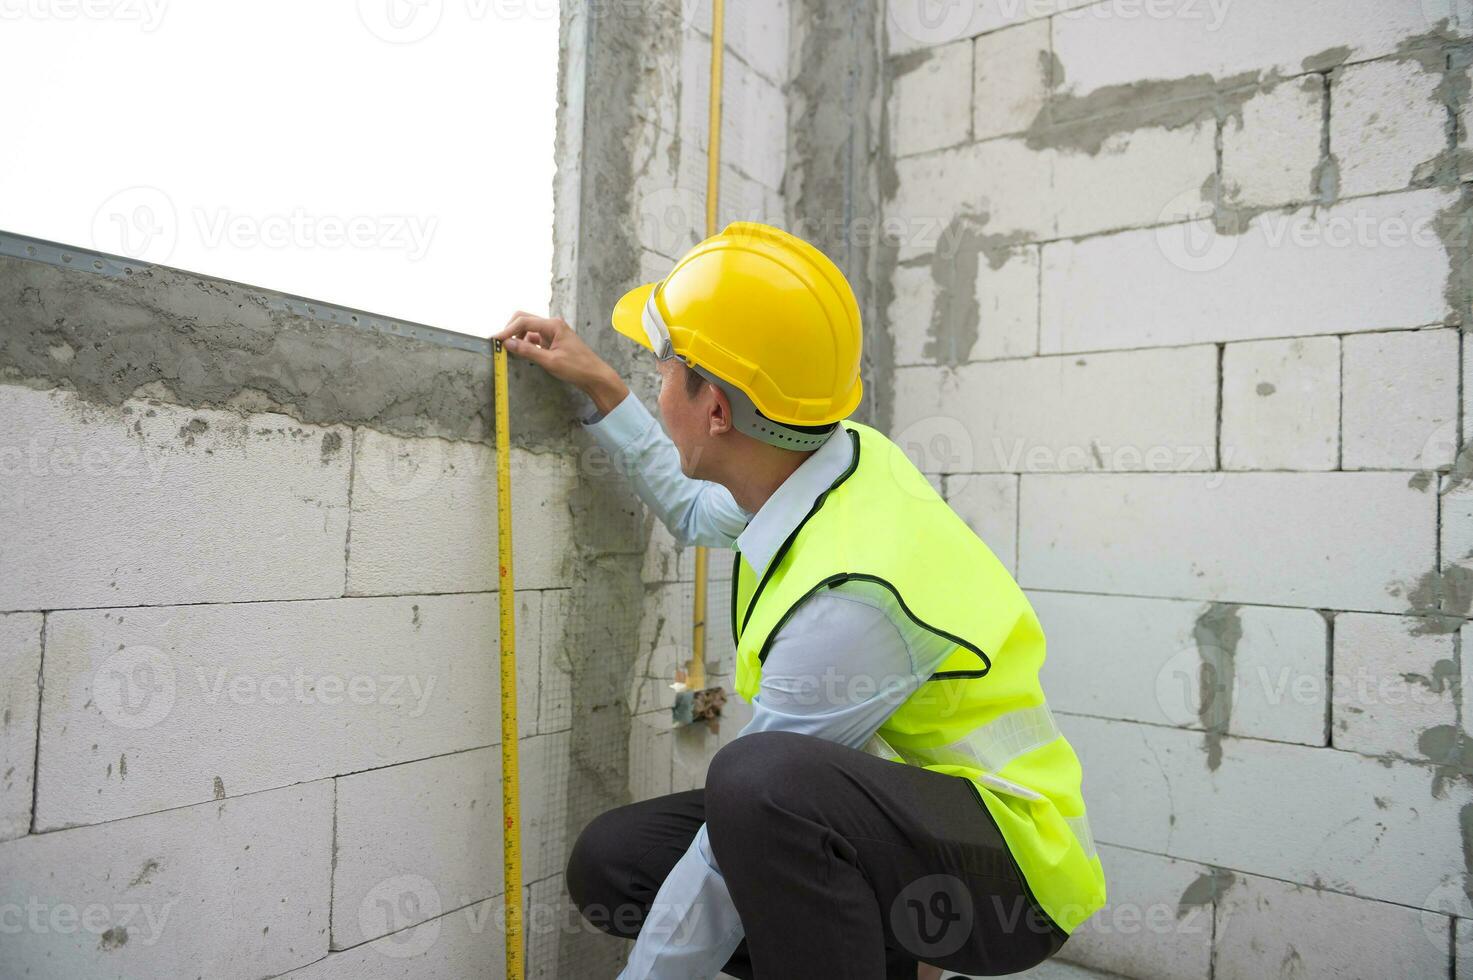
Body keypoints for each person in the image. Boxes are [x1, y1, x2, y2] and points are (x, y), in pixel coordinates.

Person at [494, 222, 1106, 980]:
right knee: (616, 863)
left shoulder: (850, 603)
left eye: (660, 370)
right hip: (908, 824)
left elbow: (724, 866)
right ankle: (889, 965)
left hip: (1011, 873)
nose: (655, 384)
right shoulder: (830, 459)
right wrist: (603, 389)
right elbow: (693, 510)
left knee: (757, 784)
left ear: (714, 409)